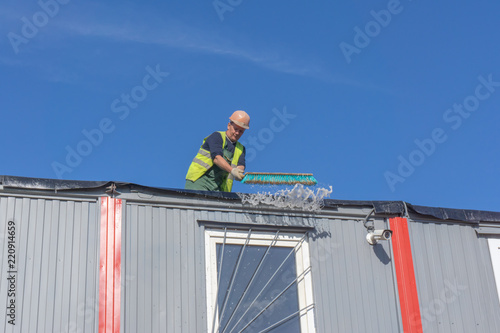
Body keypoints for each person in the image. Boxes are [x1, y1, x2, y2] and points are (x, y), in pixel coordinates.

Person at [185, 110, 250, 192]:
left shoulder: (241, 149)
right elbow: (217, 158)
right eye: (235, 129)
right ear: (229, 125)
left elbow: (240, 166)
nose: (237, 133)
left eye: (241, 131)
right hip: (200, 181)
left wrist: (239, 173)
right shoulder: (217, 136)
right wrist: (232, 170)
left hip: (219, 189)